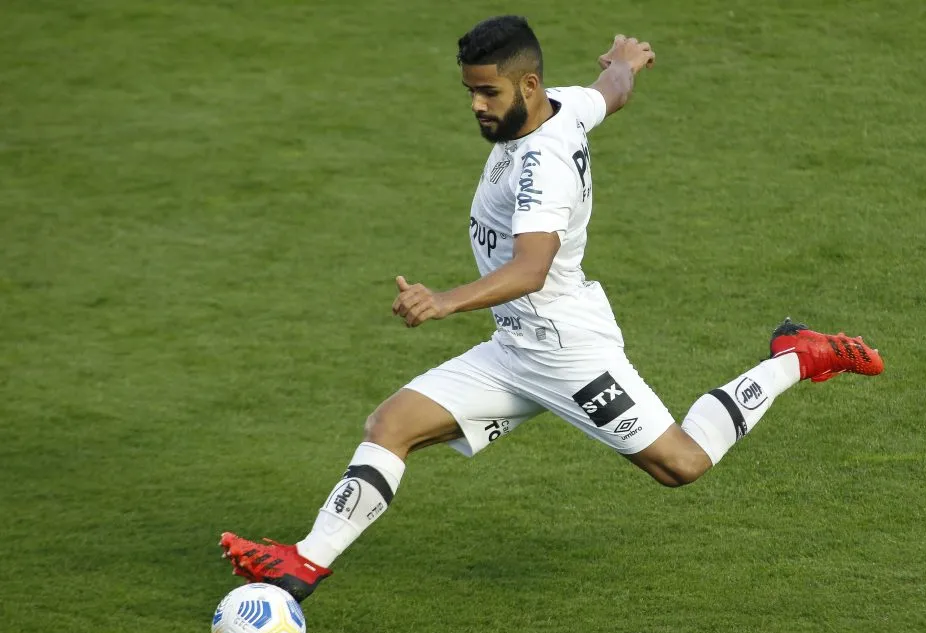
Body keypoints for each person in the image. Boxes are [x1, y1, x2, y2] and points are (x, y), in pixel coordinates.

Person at [220, 16, 884, 602]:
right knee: (390, 423)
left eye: (489, 92)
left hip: (569, 352)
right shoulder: (562, 105)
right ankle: (302, 566)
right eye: (471, 92)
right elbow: (607, 97)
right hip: (514, 347)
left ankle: (795, 355)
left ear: (528, 87)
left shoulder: (542, 168)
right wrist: (625, 63)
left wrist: (444, 300)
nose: (477, 106)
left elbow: (530, 266)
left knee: (680, 464)